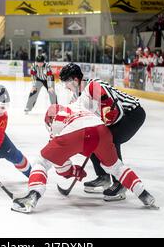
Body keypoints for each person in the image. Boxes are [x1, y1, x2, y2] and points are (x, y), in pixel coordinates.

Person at [11, 104, 157, 213]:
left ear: (49, 119)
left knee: (42, 162)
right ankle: (143, 194)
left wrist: (73, 171)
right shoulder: (78, 107)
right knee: (116, 167)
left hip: (77, 132)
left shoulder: (57, 120)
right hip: (101, 131)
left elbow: (60, 165)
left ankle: (32, 196)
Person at [58, 63, 146, 201]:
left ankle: (120, 183)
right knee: (92, 141)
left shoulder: (96, 86)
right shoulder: (77, 97)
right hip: (118, 118)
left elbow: (116, 113)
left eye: (66, 82)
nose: (65, 86)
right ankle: (104, 177)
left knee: (108, 140)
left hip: (132, 114)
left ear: (75, 80)